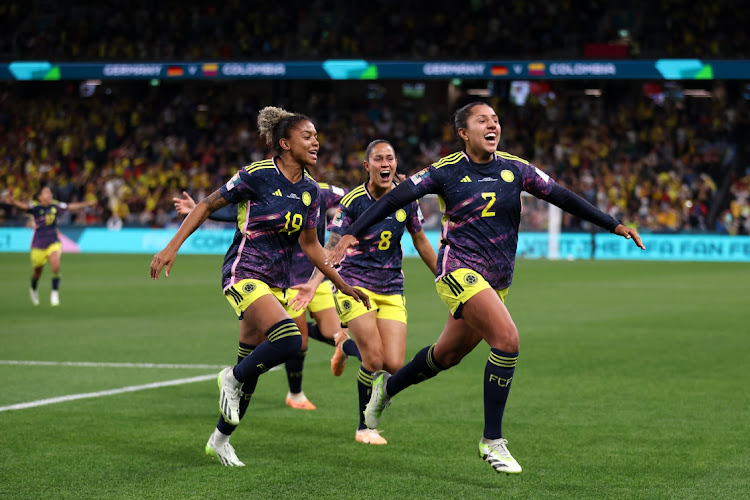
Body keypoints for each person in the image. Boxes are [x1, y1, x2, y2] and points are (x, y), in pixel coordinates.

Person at [326, 102, 645, 473]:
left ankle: (387, 390)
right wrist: (350, 232)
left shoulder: (516, 169)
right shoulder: (444, 172)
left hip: (497, 279)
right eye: (483, 120)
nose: (493, 124)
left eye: (495, 119)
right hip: (458, 271)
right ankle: (492, 441)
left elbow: (562, 195)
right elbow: (398, 197)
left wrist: (613, 224)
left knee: (445, 356)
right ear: (463, 133)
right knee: (507, 340)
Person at [150, 106, 369, 467]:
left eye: (316, 136)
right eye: (307, 136)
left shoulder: (311, 191)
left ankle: (219, 440)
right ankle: (228, 378)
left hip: (277, 283)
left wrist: (341, 284)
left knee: (249, 367)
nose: (316, 142)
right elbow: (207, 205)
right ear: (284, 143)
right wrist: (171, 246)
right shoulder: (257, 175)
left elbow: (311, 246)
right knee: (288, 341)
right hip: (244, 273)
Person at [292, 139, 437, 445]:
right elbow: (331, 247)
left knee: (395, 366)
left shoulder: (407, 199)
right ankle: (364, 427)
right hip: (354, 285)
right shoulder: (354, 201)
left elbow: (421, 241)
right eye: (379, 159)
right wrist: (313, 282)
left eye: (391, 159)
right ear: (367, 166)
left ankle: (343, 346)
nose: (386, 164)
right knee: (372, 359)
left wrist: (442, 274)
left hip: (392, 287)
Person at [173, 183, 360, 411]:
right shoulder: (269, 188)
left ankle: (304, 334)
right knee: (297, 342)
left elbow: (353, 198)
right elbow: (236, 212)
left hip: (317, 276)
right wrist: (200, 210)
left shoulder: (321, 191)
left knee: (335, 335)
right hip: (288, 278)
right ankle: (295, 393)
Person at [5, 186, 96, 306]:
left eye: (50, 192)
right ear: (40, 197)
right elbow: (23, 206)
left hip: (53, 241)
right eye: (46, 193)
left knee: (56, 266)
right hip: (38, 244)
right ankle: (33, 289)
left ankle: (54, 293)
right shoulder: (35, 208)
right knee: (37, 272)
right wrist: (13, 202)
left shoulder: (55, 206)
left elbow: (70, 206)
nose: (50, 194)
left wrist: (87, 203)